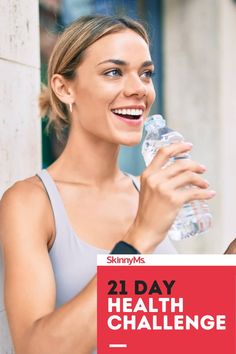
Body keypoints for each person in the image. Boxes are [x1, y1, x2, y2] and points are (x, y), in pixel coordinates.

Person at [0, 15, 235, 354]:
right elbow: (36, 347)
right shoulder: (31, 202)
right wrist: (139, 237)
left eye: (146, 73)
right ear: (64, 88)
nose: (139, 88)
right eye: (113, 72)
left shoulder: (146, 191)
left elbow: (164, 325)